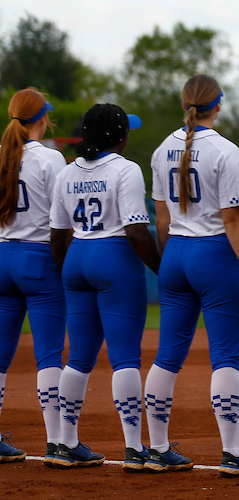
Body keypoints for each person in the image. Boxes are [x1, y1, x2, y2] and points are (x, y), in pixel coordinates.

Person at [145, 75, 239, 476]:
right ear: (218, 105)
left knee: (167, 356)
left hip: (175, 251)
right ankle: (232, 453)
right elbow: (231, 219)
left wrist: (166, 264)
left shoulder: (160, 150)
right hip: (214, 255)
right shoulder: (226, 150)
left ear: (183, 104)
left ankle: (156, 448)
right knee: (225, 356)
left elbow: (160, 219)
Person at [48, 104, 162, 471]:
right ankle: (134, 448)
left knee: (78, 358)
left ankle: (64, 443)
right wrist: (162, 268)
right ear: (118, 136)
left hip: (77, 256)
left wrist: (65, 271)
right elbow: (135, 231)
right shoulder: (126, 169)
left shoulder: (67, 171)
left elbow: (57, 234)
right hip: (113, 257)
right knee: (125, 357)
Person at [0, 89, 67, 464]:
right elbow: (63, 219)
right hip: (39, 257)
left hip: (2, 255)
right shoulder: (51, 158)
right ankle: (58, 442)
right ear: (43, 118)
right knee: (48, 356)